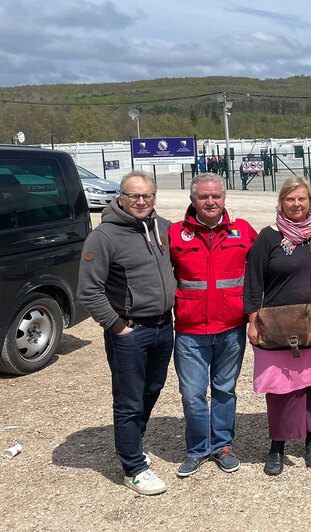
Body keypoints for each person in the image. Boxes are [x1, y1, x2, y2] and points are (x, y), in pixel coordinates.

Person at [77, 170, 176, 495]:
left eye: (147, 195)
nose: (141, 201)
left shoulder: (163, 228)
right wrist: (117, 327)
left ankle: (132, 444)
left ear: (154, 197)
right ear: (120, 196)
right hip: (130, 331)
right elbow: (89, 291)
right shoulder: (104, 237)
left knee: (152, 390)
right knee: (129, 400)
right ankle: (133, 467)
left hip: (164, 327)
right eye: (134, 195)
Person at [244, 177, 311, 476]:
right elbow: (253, 281)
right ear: (281, 202)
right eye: (290, 199)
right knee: (281, 388)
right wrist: (253, 320)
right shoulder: (269, 237)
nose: (297, 204)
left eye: (302, 198)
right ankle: (277, 444)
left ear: (310, 201)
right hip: (282, 325)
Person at [168, 173, 258, 478]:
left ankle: (222, 445)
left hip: (231, 328)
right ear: (193, 200)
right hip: (190, 330)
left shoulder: (242, 231)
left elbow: (265, 265)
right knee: (192, 394)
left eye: (216, 196)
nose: (211, 202)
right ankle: (196, 449)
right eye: (204, 197)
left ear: (224, 199)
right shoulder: (175, 234)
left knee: (224, 390)